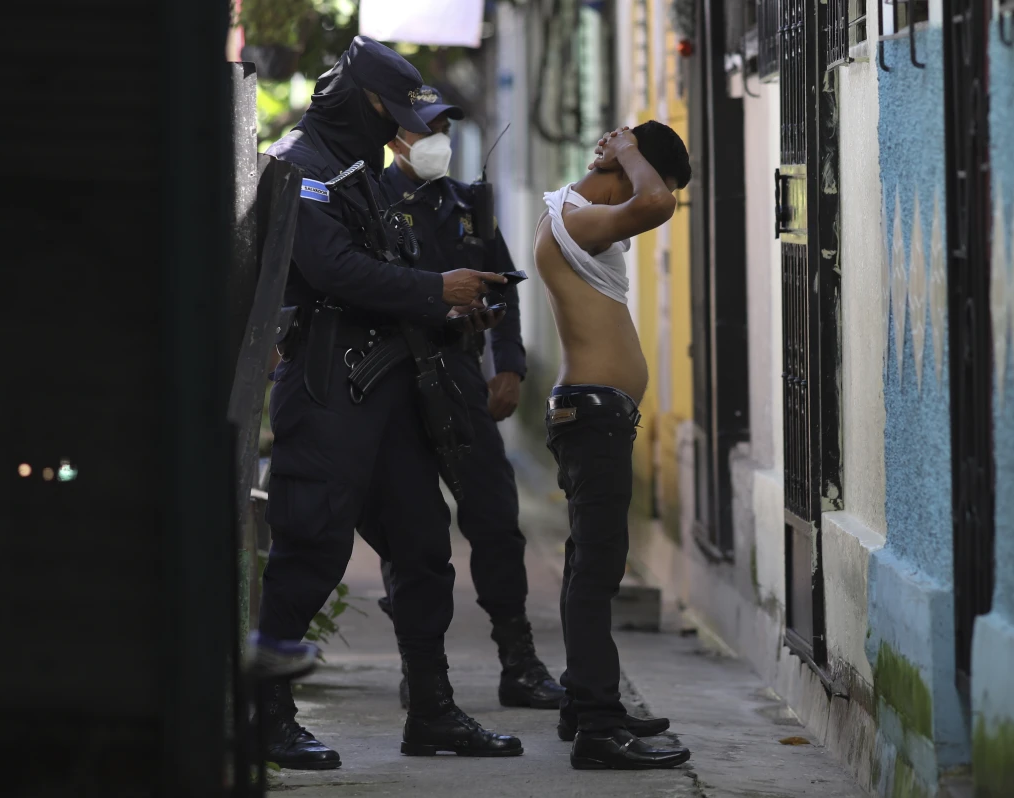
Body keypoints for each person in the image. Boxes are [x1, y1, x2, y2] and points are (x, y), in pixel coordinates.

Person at [259, 36, 521, 769]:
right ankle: (268, 716)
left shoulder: (360, 171)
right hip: (327, 385)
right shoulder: (299, 163)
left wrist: (458, 302)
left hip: (392, 385)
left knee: (423, 547)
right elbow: (330, 267)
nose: (407, 130)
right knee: (310, 546)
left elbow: (389, 259)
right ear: (364, 102)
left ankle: (432, 711)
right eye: (399, 114)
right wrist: (436, 291)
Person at [372, 85, 565, 713]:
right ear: (398, 137)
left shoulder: (469, 205)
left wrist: (507, 366)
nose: (439, 142)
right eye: (427, 129)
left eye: (444, 128)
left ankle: (520, 662)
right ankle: (423, 671)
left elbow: (503, 288)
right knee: (413, 534)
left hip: (459, 382)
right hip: (396, 384)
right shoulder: (371, 201)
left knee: (496, 524)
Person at [533, 121, 693, 770]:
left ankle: (585, 703)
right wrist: (629, 153)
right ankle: (599, 726)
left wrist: (628, 159)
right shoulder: (579, 217)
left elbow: (652, 198)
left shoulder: (577, 213)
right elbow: (657, 202)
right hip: (594, 415)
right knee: (598, 571)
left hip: (596, 413)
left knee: (588, 565)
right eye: (651, 172)